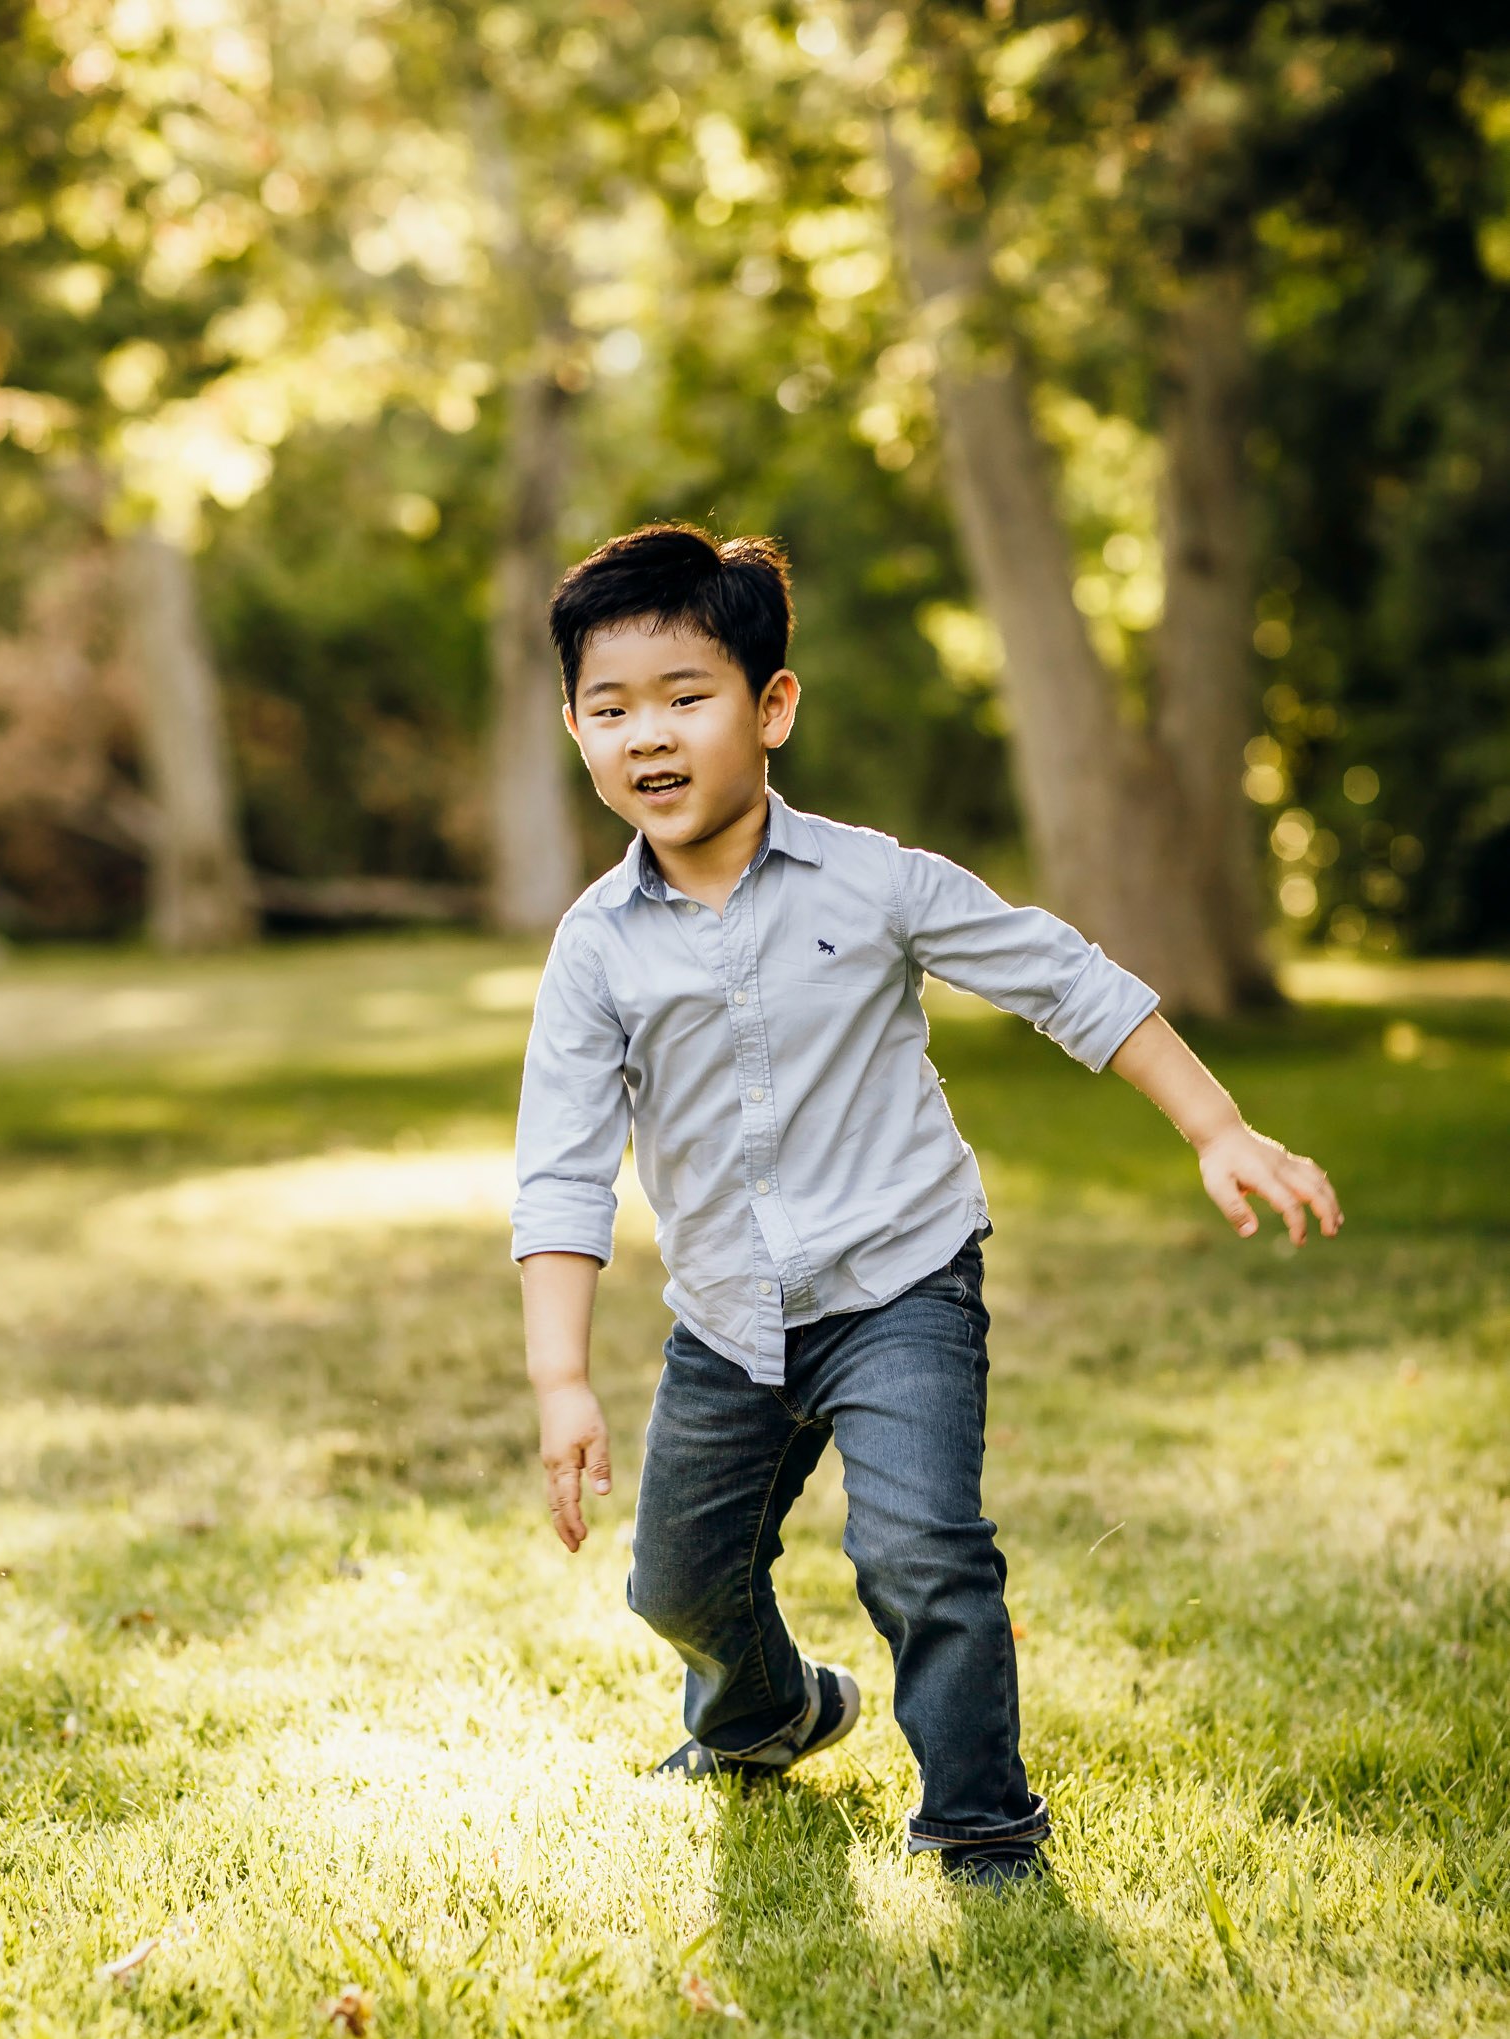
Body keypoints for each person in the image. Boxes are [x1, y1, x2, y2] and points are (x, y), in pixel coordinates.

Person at [511, 523, 1340, 1890]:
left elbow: (1062, 979)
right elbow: (561, 1164)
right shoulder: (595, 950)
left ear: (772, 708)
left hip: (900, 1285)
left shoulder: (874, 881)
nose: (648, 736)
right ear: (575, 730)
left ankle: (981, 1821)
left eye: (685, 697)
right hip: (725, 1315)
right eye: (612, 710)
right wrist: (561, 1379)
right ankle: (765, 1714)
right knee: (674, 1585)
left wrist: (1219, 1124)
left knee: (921, 1552)